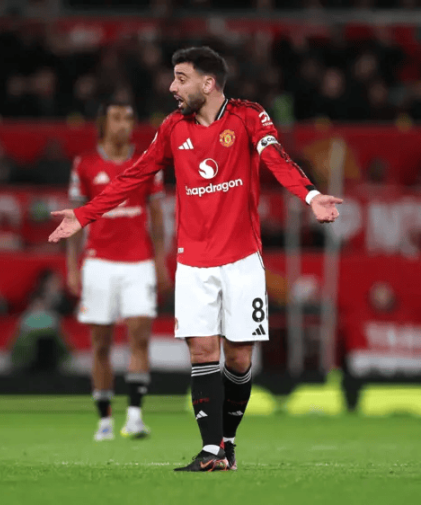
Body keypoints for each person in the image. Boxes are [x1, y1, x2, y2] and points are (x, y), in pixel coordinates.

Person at [49, 47, 342, 472]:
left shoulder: (249, 116)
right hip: (193, 263)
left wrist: (310, 196)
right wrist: (83, 215)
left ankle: (228, 443)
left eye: (181, 78)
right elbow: (134, 175)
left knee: (238, 359)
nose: (172, 87)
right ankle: (210, 451)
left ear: (208, 83)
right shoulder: (173, 127)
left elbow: (275, 158)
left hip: (242, 260)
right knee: (203, 351)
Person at [66, 101, 171, 441]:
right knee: (101, 344)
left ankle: (136, 417)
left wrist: (160, 260)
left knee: (140, 336)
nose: (124, 124)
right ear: (103, 123)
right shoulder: (85, 164)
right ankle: (105, 420)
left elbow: (158, 216)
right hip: (98, 262)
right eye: (116, 117)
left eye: (128, 117)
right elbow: (76, 219)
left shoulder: (147, 162)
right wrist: (72, 266)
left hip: (139, 262)